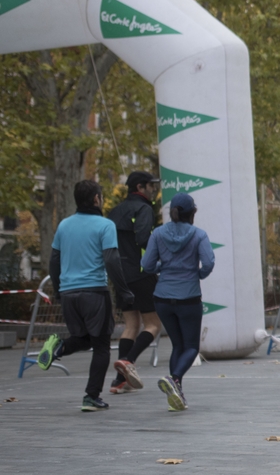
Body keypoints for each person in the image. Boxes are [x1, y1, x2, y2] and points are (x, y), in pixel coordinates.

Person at [36, 180, 134, 411]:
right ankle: (91, 396)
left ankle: (57, 348)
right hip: (94, 293)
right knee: (101, 345)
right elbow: (111, 259)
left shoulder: (64, 226)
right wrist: (124, 291)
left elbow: (54, 260)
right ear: (96, 199)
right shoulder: (105, 225)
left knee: (83, 339)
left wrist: (59, 289)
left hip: (69, 294)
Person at [140, 193, 215, 411]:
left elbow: (146, 264)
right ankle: (174, 379)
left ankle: (176, 393)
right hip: (189, 298)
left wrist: (160, 269)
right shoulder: (199, 235)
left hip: (162, 298)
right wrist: (198, 274)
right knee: (191, 346)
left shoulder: (158, 234)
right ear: (192, 213)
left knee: (177, 345)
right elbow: (209, 262)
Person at [107, 171, 162, 393]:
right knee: (154, 324)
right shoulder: (144, 209)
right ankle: (128, 361)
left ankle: (120, 380)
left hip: (119, 274)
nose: (154, 189)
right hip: (141, 272)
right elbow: (143, 239)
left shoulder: (114, 211)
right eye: (151, 186)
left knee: (131, 325)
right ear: (140, 187)